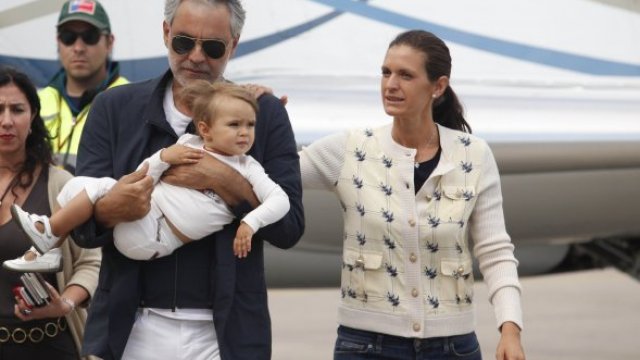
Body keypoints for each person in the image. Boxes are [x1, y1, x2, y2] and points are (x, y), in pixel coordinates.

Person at [70, 0, 304, 359]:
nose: (196, 56)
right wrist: (112, 208)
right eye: (183, 41)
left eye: (212, 47)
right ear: (165, 34)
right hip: (130, 329)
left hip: (225, 334)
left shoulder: (263, 114)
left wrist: (228, 183)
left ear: (233, 45)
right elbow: (82, 230)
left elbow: (289, 228)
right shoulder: (113, 108)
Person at [300, 30, 526, 360]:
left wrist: (510, 329)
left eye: (405, 75)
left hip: (454, 347)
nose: (390, 84)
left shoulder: (474, 155)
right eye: (385, 72)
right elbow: (270, 176)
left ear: (438, 86)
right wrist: (258, 110)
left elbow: (495, 251)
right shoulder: (349, 150)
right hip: (364, 347)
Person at [5, 81, 289, 270]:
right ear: (205, 129)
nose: (245, 132)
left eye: (251, 124)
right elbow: (145, 175)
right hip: (142, 218)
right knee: (75, 186)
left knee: (100, 187)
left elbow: (280, 201)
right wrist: (164, 157)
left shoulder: (248, 167)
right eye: (234, 124)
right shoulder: (188, 144)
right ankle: (43, 250)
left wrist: (250, 223)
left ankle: (48, 232)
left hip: (155, 236)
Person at [0, 66, 101, 359]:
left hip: (49, 345)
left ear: (32, 117)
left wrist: (66, 303)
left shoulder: (60, 184)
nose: (7, 121)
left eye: (17, 110)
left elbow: (92, 262)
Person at [40, 0, 128, 174]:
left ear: (109, 43)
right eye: (68, 37)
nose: (78, 47)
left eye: (90, 37)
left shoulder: (131, 101)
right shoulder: (37, 102)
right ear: (58, 42)